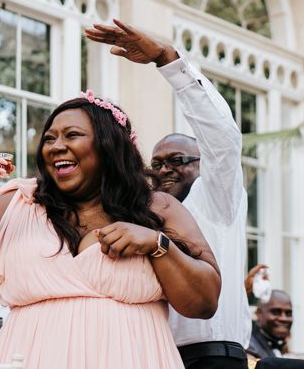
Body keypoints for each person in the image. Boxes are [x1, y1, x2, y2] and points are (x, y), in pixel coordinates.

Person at [0, 45, 221, 367]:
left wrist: (157, 245)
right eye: (49, 138)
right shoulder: (19, 202)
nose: (56, 146)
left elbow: (204, 301)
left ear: (108, 146)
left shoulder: (157, 207)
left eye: (71, 135)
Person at [85, 19, 250, 368]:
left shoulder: (216, 197)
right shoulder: (144, 212)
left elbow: (221, 137)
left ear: (203, 163)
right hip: (150, 353)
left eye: (177, 160)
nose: (164, 170)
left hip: (212, 357)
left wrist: (167, 59)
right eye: (156, 163)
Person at [247, 290, 293, 360]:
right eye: (276, 312)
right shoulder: (250, 349)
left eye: (288, 313)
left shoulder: (279, 345)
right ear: (259, 313)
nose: (284, 318)